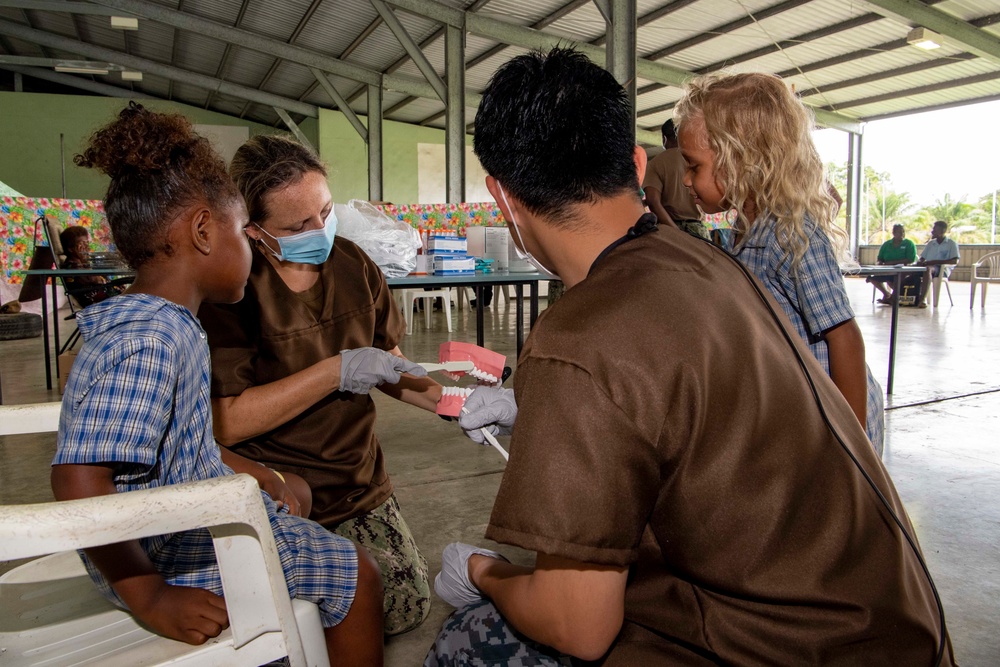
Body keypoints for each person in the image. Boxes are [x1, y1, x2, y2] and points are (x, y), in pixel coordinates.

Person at [425, 47, 953, 666]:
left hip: (797, 650)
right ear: (637, 162)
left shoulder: (578, 336)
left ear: (503, 198)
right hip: (900, 633)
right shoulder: (717, 267)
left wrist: (486, 572)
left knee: (468, 641)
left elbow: (577, 624)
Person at [51, 103, 384, 665]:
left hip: (170, 520)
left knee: (297, 504)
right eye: (243, 234)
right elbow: (77, 482)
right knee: (358, 576)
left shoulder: (167, 322)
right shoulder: (149, 341)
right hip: (158, 551)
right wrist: (149, 594)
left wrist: (268, 475)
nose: (251, 251)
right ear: (205, 232)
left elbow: (183, 447)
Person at [198, 135, 441, 635]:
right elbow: (226, 421)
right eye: (297, 225)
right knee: (285, 624)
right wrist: (333, 370)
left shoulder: (353, 265)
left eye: (325, 212)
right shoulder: (234, 291)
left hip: (355, 480)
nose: (319, 230)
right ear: (255, 230)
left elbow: (388, 365)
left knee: (402, 605)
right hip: (280, 487)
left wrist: (458, 402)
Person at [675, 72, 885, 456]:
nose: (686, 180)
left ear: (741, 161)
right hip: (798, 416)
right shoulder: (744, 231)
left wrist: (849, 452)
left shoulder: (790, 234)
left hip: (834, 424)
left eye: (694, 167)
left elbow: (844, 338)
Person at [642, 119, 709, 240]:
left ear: (664, 138)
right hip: (697, 229)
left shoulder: (655, 163)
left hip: (669, 230)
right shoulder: (698, 159)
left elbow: (652, 200)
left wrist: (675, 231)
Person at [59, 225, 127, 306]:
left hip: (112, 299)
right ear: (70, 249)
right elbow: (95, 280)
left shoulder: (84, 264)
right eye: (82, 244)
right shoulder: (70, 267)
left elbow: (102, 277)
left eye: (87, 242)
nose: (87, 247)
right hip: (99, 303)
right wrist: (84, 260)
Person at [869, 224, 918, 304]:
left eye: (903, 232)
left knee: (899, 277)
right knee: (872, 278)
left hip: (903, 270)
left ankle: (893, 298)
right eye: (899, 232)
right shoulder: (886, 245)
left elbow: (910, 259)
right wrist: (880, 263)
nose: (902, 234)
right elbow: (880, 258)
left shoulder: (909, 244)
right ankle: (887, 294)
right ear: (894, 233)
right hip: (887, 269)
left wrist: (893, 262)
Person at [917, 220, 960, 308]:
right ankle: (903, 297)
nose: (932, 232)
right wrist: (918, 263)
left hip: (941, 269)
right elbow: (922, 258)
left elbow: (954, 261)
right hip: (928, 267)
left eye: (935, 230)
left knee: (928, 269)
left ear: (942, 231)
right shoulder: (931, 243)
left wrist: (934, 262)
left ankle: (921, 299)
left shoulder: (951, 244)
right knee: (908, 271)